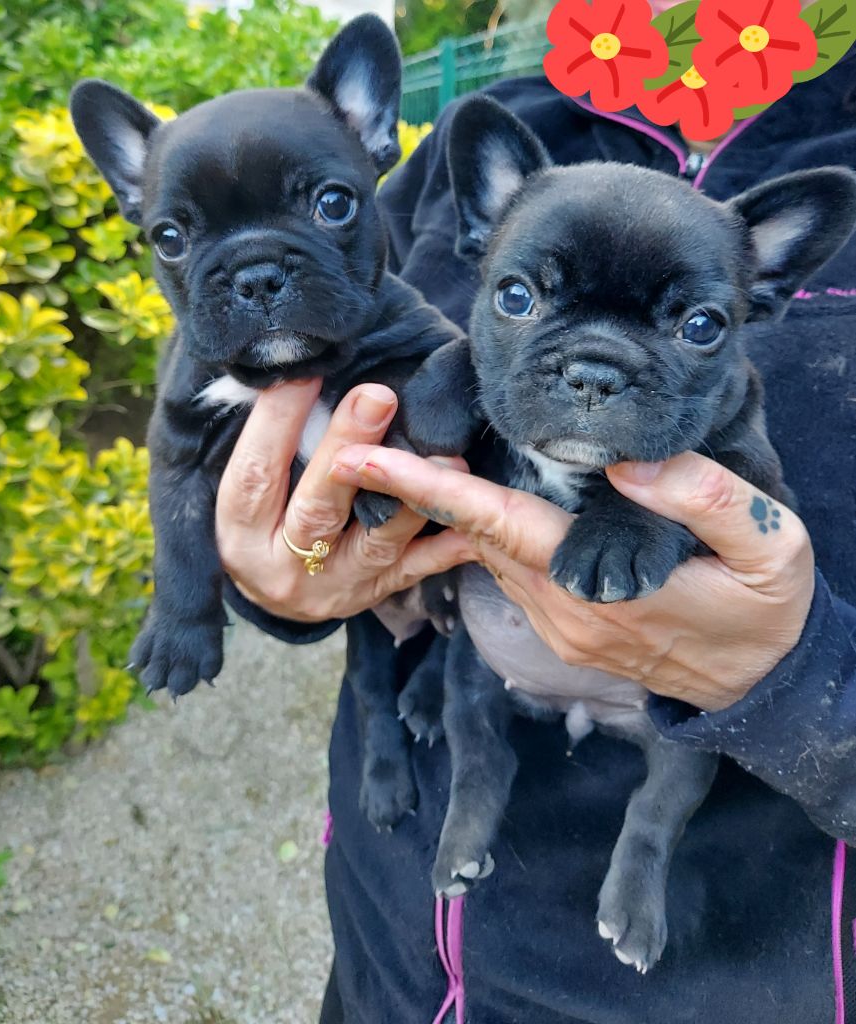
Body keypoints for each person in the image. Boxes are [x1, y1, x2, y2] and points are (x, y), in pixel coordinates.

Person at [214, 33, 856, 1024]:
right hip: (392, 939)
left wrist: (803, 689)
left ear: (759, 288)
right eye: (518, 296)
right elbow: (307, 392)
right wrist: (277, 574)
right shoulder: (512, 116)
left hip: (714, 977)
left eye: (694, 325)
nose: (592, 371)